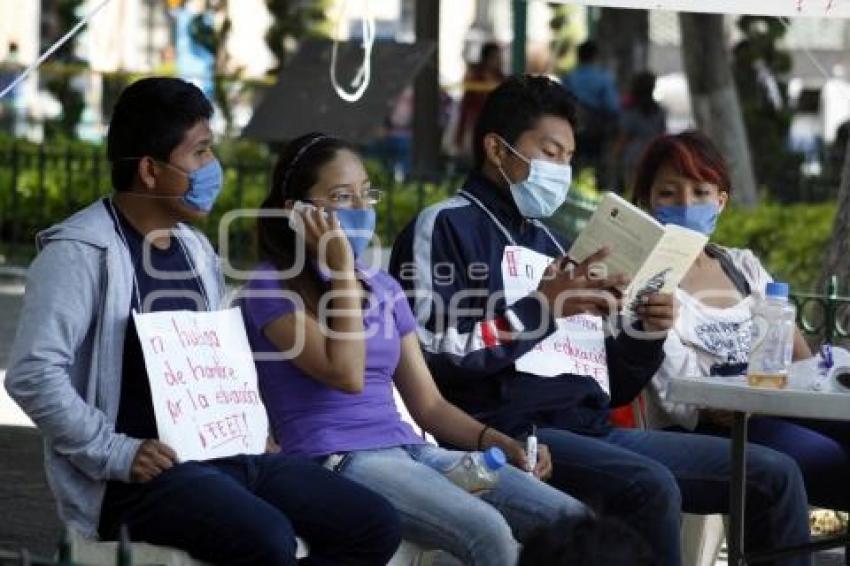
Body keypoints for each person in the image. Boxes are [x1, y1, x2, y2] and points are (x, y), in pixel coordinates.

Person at [389, 74, 812, 566]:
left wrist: (645, 334)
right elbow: (434, 349)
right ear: (497, 150)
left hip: (591, 427)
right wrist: (542, 307)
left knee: (773, 475)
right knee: (649, 487)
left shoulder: (553, 244)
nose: (561, 170)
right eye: (549, 152)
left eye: (568, 158)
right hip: (511, 432)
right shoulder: (444, 225)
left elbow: (609, 384)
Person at [4, 78, 401, 566]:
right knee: (267, 538)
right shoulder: (81, 254)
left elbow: (219, 359)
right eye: (200, 152)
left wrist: (255, 423)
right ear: (150, 170)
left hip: (229, 456)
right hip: (137, 480)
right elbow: (33, 372)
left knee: (373, 524)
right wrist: (117, 451)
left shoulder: (196, 250)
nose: (213, 168)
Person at [238, 132, 589, 566]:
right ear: (297, 213)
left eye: (366, 195)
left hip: (413, 449)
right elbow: (344, 373)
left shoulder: (381, 287)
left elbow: (430, 406)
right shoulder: (271, 289)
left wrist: (501, 442)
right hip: (339, 460)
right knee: (488, 532)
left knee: (574, 522)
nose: (361, 210)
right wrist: (343, 272)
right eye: (342, 197)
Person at [634, 130, 850, 514]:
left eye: (701, 192)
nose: (686, 204)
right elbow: (696, 402)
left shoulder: (743, 267)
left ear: (720, 201)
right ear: (647, 202)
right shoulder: (645, 284)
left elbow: (800, 359)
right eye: (669, 193)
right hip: (709, 428)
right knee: (828, 460)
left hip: (775, 406)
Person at [561, 40, 620, 188]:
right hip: (598, 131)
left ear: (579, 56)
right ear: (595, 56)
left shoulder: (569, 77)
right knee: (599, 168)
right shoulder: (604, 77)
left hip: (574, 129)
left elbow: (561, 102)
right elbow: (612, 106)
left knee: (573, 165)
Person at [613, 71, 666, 194]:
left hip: (633, 155)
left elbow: (623, 137)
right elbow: (662, 135)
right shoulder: (659, 111)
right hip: (653, 154)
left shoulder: (631, 112)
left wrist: (615, 156)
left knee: (631, 190)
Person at [454, 42, 505, 160]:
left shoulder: (501, 78)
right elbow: (466, 106)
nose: (499, 60)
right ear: (487, 58)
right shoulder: (475, 77)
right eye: (496, 57)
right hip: (476, 126)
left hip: (496, 128)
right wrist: (459, 136)